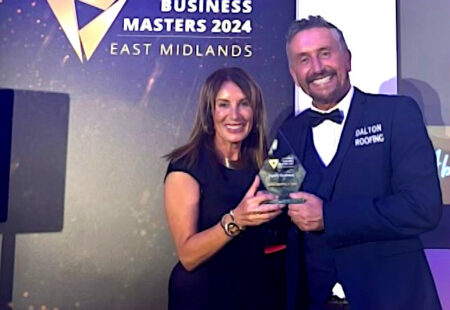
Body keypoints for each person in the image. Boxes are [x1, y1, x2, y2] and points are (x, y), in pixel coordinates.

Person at [273, 16, 443, 310]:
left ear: (347, 59)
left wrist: (329, 217)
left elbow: (423, 208)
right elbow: (276, 211)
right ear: (293, 73)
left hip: (393, 300)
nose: (317, 67)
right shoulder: (289, 132)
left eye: (325, 53)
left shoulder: (396, 113)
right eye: (304, 59)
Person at [164, 67, 284, 310]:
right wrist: (237, 219)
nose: (235, 115)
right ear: (210, 111)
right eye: (224, 104)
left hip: (259, 294)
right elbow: (187, 256)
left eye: (244, 104)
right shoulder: (186, 167)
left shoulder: (268, 163)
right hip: (205, 296)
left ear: (255, 111)